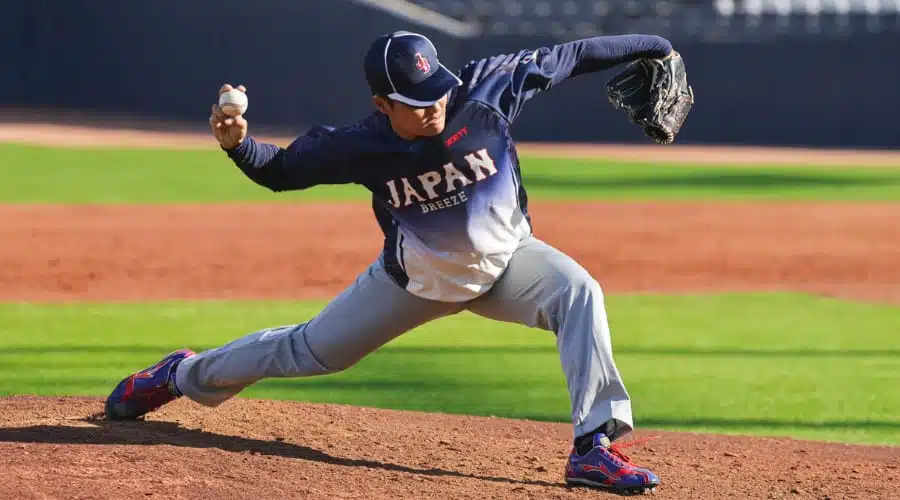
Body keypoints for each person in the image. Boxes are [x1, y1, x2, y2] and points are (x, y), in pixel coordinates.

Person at [104, 30, 677, 494]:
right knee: (305, 351)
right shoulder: (357, 144)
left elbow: (572, 55)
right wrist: (235, 144)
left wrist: (656, 44)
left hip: (509, 266)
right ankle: (179, 374)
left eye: (438, 94)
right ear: (382, 104)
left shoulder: (486, 90)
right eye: (417, 103)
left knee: (578, 290)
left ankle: (593, 448)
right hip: (415, 283)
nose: (435, 109)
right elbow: (278, 172)